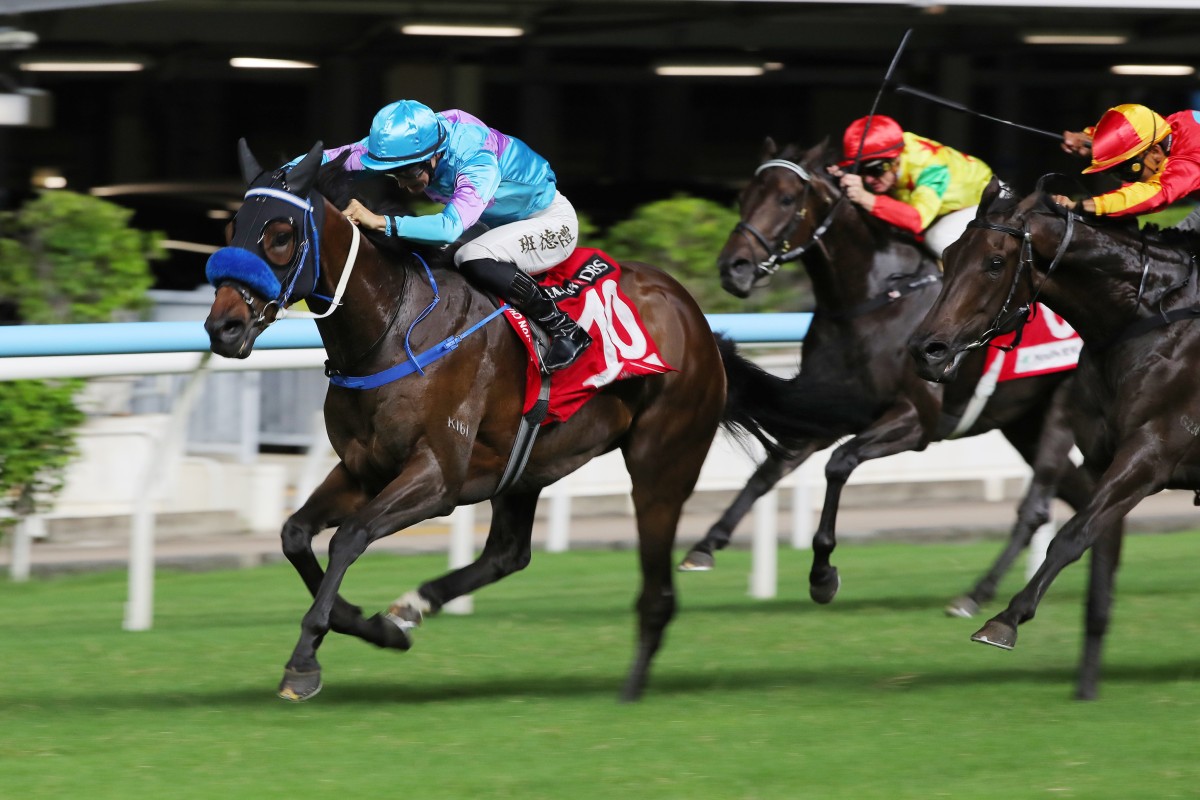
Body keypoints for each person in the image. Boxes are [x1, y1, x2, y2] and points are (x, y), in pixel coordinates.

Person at [298, 99, 590, 371]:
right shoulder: (410, 145)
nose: (402, 183)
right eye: (394, 174)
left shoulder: (476, 158)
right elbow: (327, 159)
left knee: (470, 256)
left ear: (434, 156)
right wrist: (271, 186)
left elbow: (448, 228)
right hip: (493, 223)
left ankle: (565, 329)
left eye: (408, 174)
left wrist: (381, 222)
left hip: (548, 222)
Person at [828, 114, 995, 258]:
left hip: (985, 201)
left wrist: (866, 198)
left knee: (938, 237)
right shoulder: (892, 147)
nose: (868, 180)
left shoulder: (931, 167)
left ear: (896, 160)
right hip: (940, 210)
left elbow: (916, 221)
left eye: (875, 170)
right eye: (860, 171)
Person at [1052, 103, 1200, 232]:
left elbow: (1154, 196)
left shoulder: (1191, 157)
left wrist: (1080, 206)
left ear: (1155, 152)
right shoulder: (1167, 128)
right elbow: (1130, 130)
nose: (1125, 181)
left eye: (1129, 169)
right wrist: (1087, 138)